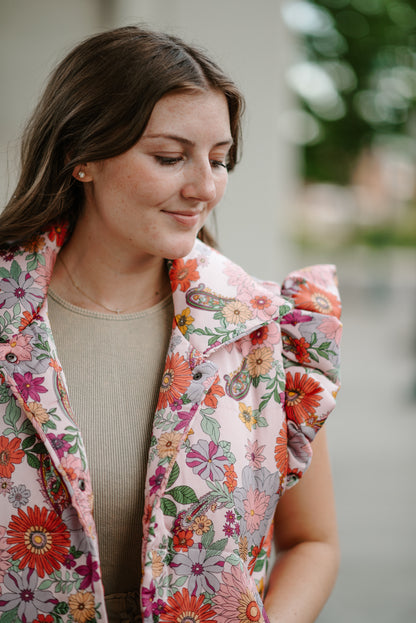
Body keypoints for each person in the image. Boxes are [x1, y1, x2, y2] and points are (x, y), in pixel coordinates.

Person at [0, 26, 342, 623]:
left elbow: (313, 542)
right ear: (82, 155)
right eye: (169, 157)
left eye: (219, 160)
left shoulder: (263, 333)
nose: (205, 188)